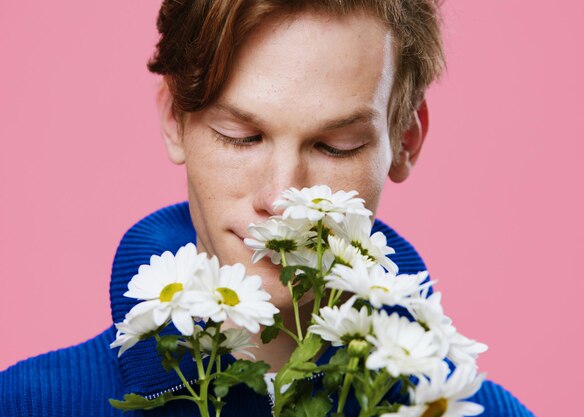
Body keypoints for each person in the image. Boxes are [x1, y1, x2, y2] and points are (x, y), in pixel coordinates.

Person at [0, 1, 534, 416]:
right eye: (242, 136)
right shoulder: (28, 405)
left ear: (406, 141)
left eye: (335, 146)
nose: (281, 199)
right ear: (174, 122)